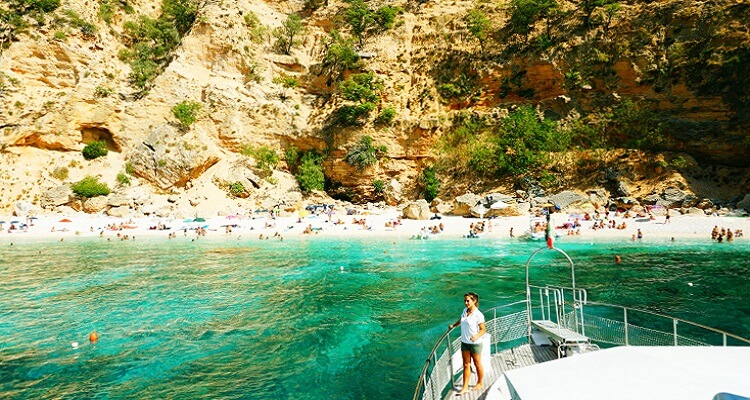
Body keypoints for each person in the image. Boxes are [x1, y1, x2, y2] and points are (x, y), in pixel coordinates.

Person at [448, 292, 486, 395]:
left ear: (474, 301)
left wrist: (476, 336)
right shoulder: (465, 310)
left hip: (475, 344)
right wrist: (454, 325)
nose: (466, 303)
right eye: (465, 300)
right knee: (466, 364)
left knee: (477, 363)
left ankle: (480, 382)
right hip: (464, 342)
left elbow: (483, 330)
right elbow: (461, 320)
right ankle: (465, 387)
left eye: (468, 301)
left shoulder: (478, 315)